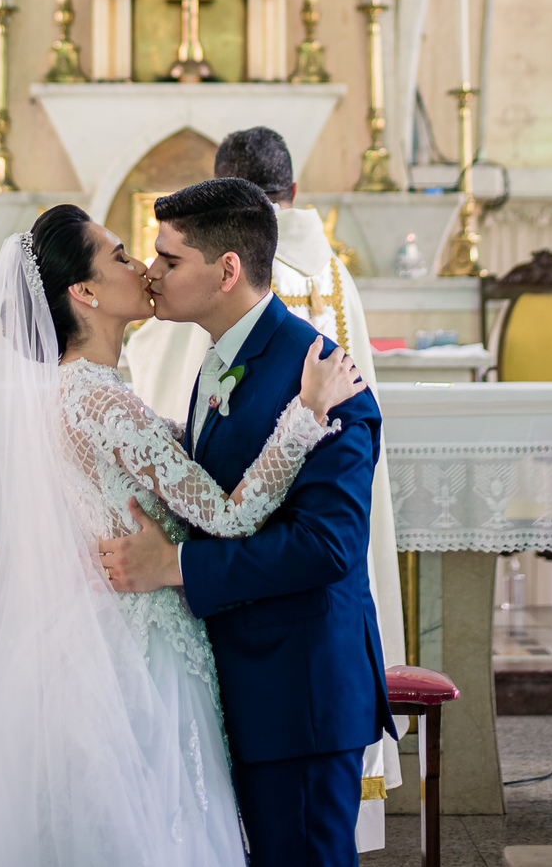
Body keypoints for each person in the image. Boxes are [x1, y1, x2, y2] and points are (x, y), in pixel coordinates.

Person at [0, 197, 364, 867]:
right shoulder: (99, 398)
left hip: (123, 638)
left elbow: (184, 472)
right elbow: (224, 513)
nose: (145, 268)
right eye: (124, 256)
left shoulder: (87, 389)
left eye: (162, 257)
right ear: (83, 291)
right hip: (139, 652)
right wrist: (305, 415)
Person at [102, 179, 395, 867]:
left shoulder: (323, 377)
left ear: (226, 269)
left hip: (300, 689)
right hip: (249, 677)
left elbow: (327, 546)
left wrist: (172, 567)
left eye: (170, 259)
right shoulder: (219, 358)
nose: (152, 273)